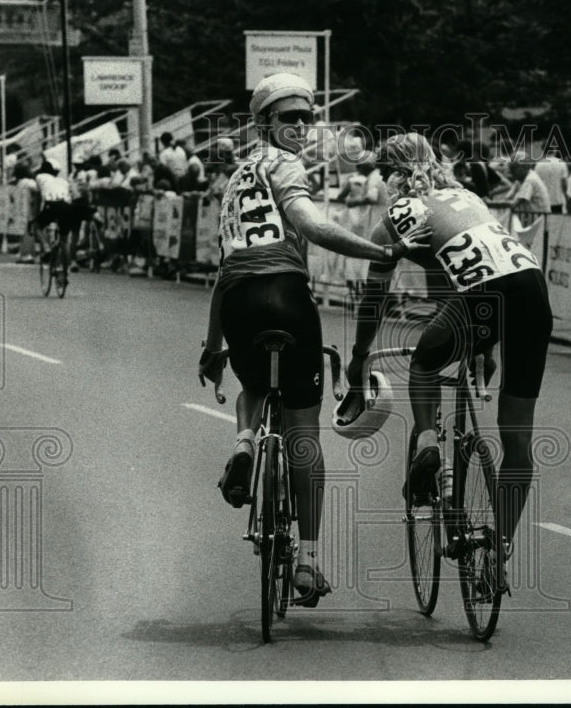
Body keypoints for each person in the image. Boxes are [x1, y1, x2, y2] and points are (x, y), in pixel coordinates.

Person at [197, 73, 431, 606]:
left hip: (237, 301)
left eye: (306, 117)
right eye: (289, 118)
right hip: (286, 294)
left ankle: (243, 443)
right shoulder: (285, 165)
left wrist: (212, 349)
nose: (301, 127)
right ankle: (307, 561)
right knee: (305, 429)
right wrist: (381, 253)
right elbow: (311, 223)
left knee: (253, 387)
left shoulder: (233, 181)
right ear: (264, 124)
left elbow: (224, 270)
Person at [339, 132, 552, 592]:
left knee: (423, 363)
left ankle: (429, 444)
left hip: (482, 299)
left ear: (392, 175)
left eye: (382, 173)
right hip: (531, 289)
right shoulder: (467, 195)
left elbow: (374, 299)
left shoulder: (394, 218)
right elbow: (471, 268)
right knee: (518, 437)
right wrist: (485, 348)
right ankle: (500, 551)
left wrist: (359, 358)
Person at [503, 151, 550, 228]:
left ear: (523, 168)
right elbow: (507, 198)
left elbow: (514, 204)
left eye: (513, 168)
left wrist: (491, 204)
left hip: (539, 223)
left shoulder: (530, 180)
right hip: (534, 221)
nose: (511, 172)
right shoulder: (522, 179)